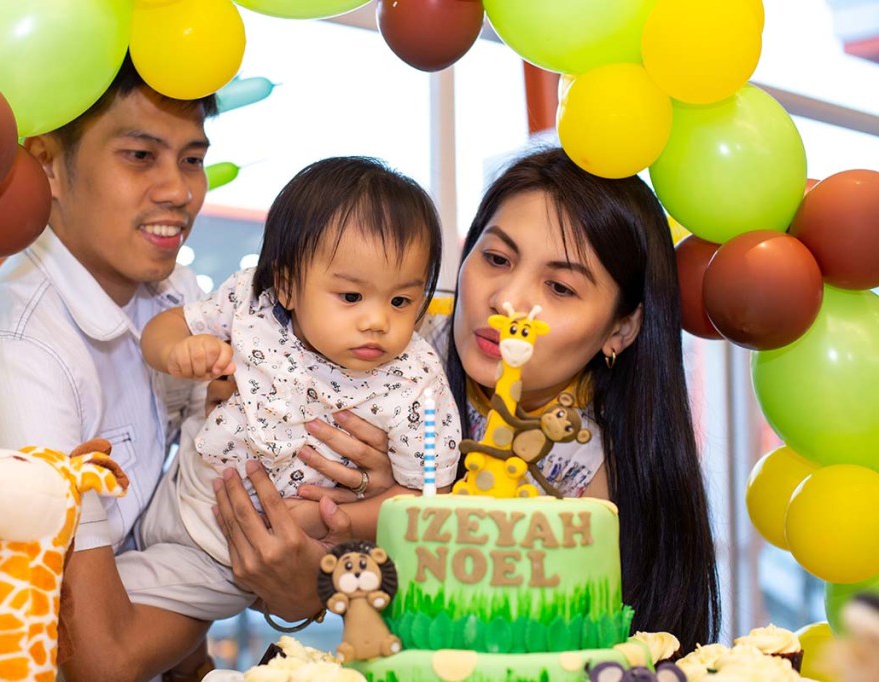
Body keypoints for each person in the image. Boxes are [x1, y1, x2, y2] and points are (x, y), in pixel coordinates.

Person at [212, 146, 721, 655]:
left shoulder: (604, 480)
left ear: (621, 329)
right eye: (496, 259)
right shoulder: (378, 347)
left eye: (560, 287)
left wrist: (336, 572)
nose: (507, 300)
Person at [62, 156, 461, 681]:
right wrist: (179, 351)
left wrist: (331, 520)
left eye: (402, 300)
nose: (377, 320)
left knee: (77, 623)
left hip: (226, 552)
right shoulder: (254, 303)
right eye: (350, 296)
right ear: (288, 285)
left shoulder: (415, 380)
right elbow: (164, 329)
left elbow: (425, 496)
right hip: (175, 486)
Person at [0, 53, 219, 677]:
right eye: (140, 155)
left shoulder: (172, 296)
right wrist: (236, 577)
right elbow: (97, 658)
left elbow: (192, 498)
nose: (179, 191)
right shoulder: (15, 348)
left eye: (192, 159)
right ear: (48, 163)